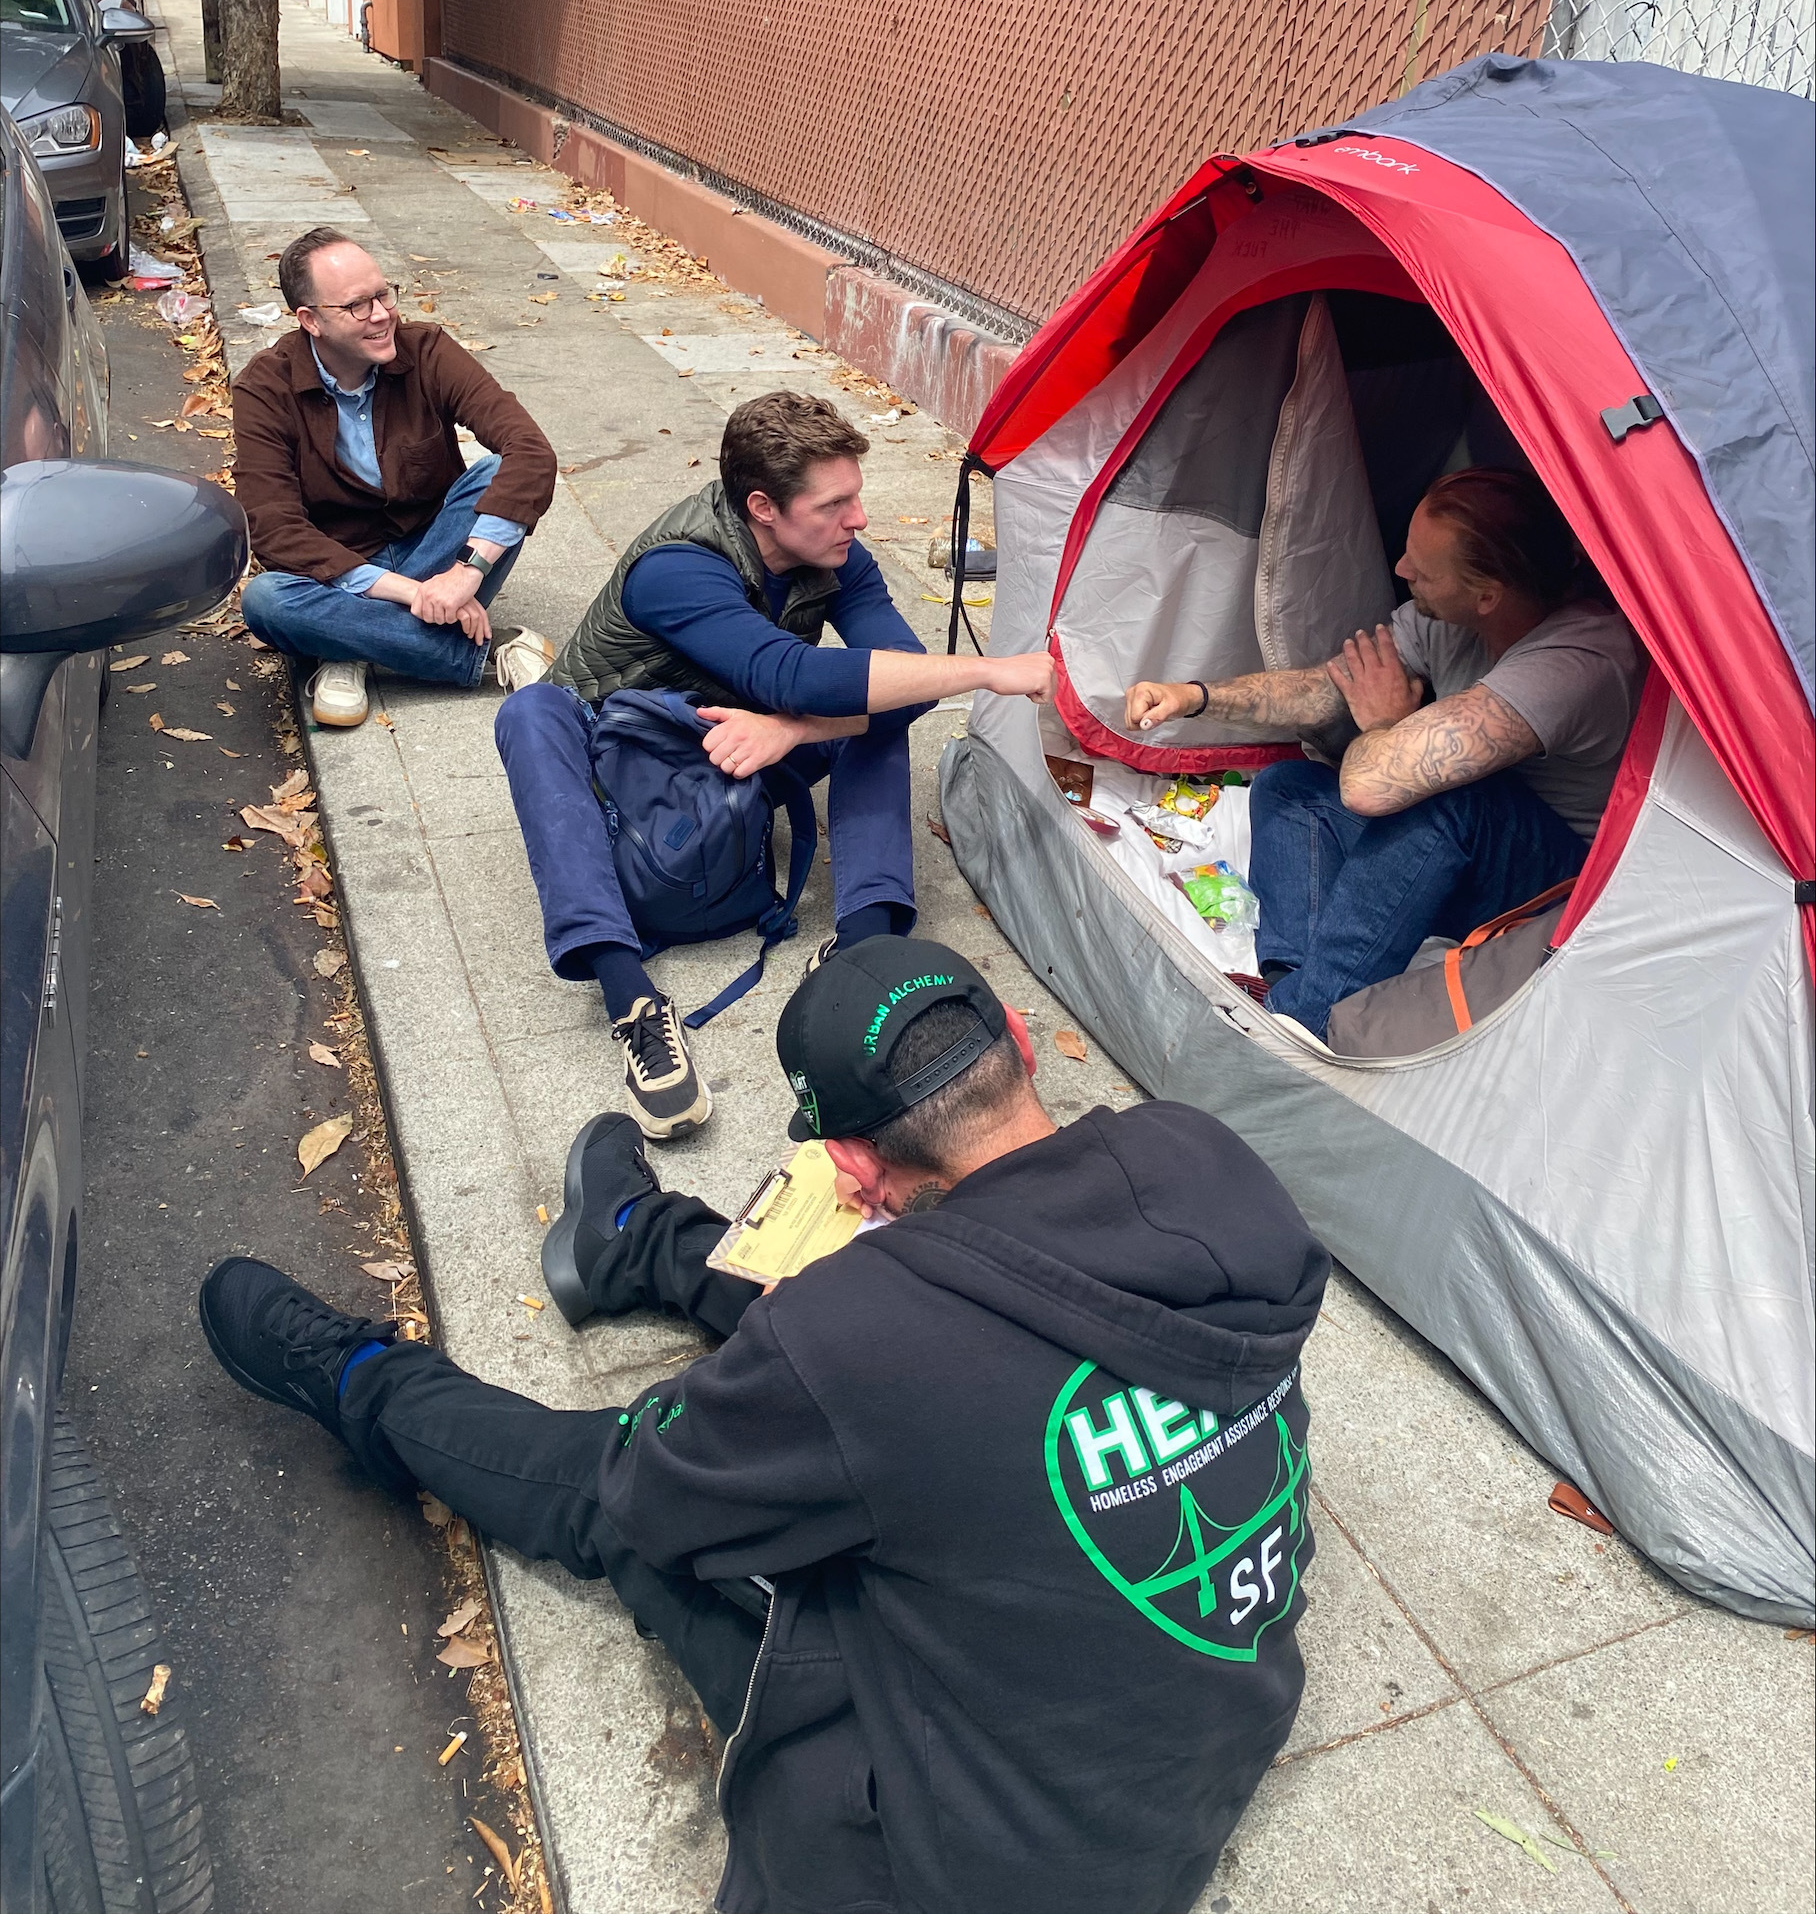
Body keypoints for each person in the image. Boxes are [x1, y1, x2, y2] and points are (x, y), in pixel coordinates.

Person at [197, 937, 1329, 1914]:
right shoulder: (1201, 1161)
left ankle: (362, 1380)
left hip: (972, 1863)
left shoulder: (857, 1335)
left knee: (624, 1496)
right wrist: (820, 1339)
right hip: (1200, 1749)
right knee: (884, 1324)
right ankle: (639, 1238)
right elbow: (946, 1313)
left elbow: (651, 1489)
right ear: (1021, 1045)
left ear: (843, 1163)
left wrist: (772, 1371)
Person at [494, 388, 1054, 1138]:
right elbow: (787, 675)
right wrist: (987, 671)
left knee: (883, 704)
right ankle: (630, 997)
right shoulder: (677, 568)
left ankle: (867, 948)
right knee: (530, 711)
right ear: (763, 507)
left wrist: (790, 733)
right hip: (623, 775)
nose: (857, 519)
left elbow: (899, 674)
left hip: (738, 750)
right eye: (833, 505)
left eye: (856, 497)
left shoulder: (835, 556)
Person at [1125, 468, 1643, 1038]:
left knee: (1445, 799)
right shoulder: (1448, 618)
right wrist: (1195, 696)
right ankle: (1297, 983)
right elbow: (1326, 690)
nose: (1401, 571)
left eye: (1422, 567)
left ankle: (1306, 1017)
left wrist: (1387, 724)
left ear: (1487, 595)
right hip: (1468, 860)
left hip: (1551, 895)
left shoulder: (1577, 663)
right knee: (1290, 787)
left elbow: (1374, 787)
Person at [232, 224, 559, 730]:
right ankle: (491, 653)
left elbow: (530, 451)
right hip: (343, 568)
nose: (382, 315)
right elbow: (274, 528)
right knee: (266, 599)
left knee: (496, 472)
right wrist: (413, 595)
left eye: (383, 294)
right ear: (310, 320)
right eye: (357, 306)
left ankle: (347, 645)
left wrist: (465, 574)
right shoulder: (264, 388)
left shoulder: (426, 350)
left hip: (436, 550)